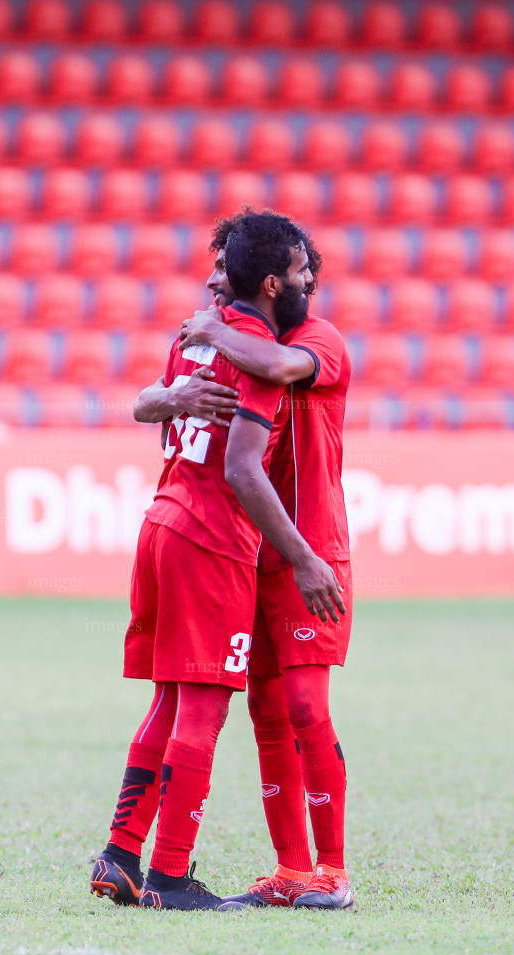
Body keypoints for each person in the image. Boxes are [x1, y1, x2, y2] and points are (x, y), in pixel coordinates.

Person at [89, 213, 345, 911]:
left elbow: (254, 370)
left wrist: (197, 350)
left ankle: (120, 853)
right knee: (202, 706)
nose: (209, 295)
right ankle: (170, 877)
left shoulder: (214, 339)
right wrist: (302, 557)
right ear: (270, 281)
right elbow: (236, 463)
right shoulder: (242, 339)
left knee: (171, 699)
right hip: (215, 539)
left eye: (215, 284)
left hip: (164, 520)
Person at [177, 240, 355, 911]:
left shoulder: (319, 340)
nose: (314, 281)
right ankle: (289, 869)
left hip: (311, 553)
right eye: (305, 270)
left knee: (307, 705)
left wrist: (215, 329)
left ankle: (332, 871)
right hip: (250, 549)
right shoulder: (234, 343)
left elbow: (279, 365)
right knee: (264, 710)